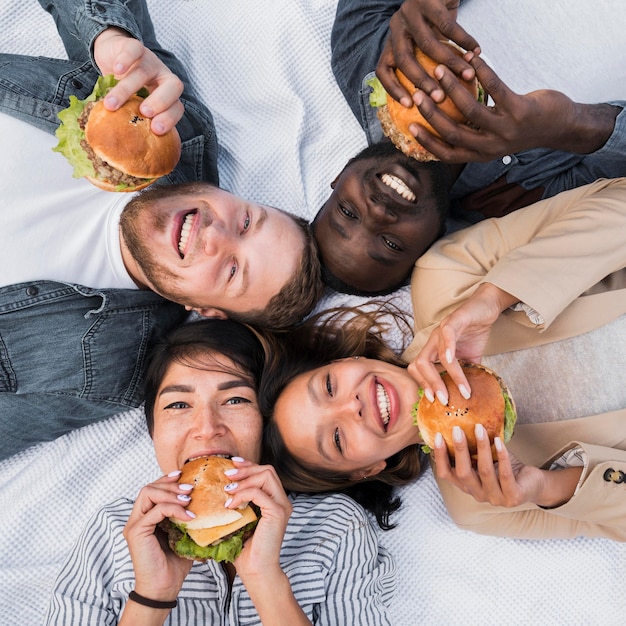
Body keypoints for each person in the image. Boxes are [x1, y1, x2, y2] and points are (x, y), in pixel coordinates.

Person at [0, 0, 321, 461]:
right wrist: (108, 38)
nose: (217, 235)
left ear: (205, 310)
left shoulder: (105, 372)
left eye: (233, 271)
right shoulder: (177, 128)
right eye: (248, 221)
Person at [258, 177, 626, 541]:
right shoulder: (484, 506)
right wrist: (547, 486)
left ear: (346, 359)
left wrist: (495, 297)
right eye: (337, 438)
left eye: (328, 386)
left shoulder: (447, 276)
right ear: (367, 469)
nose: (349, 406)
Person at [44, 318, 395, 624]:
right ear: (152, 430)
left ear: (268, 422)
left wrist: (264, 580)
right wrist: (153, 596)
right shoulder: (112, 532)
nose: (207, 427)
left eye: (236, 400)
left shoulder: (335, 525)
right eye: (178, 404)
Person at [312, 0, 626, 294]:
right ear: (432, 244)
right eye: (392, 245)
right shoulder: (518, 201)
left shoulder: (359, 56)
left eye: (348, 211)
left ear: (338, 178)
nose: (378, 211)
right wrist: (568, 123)